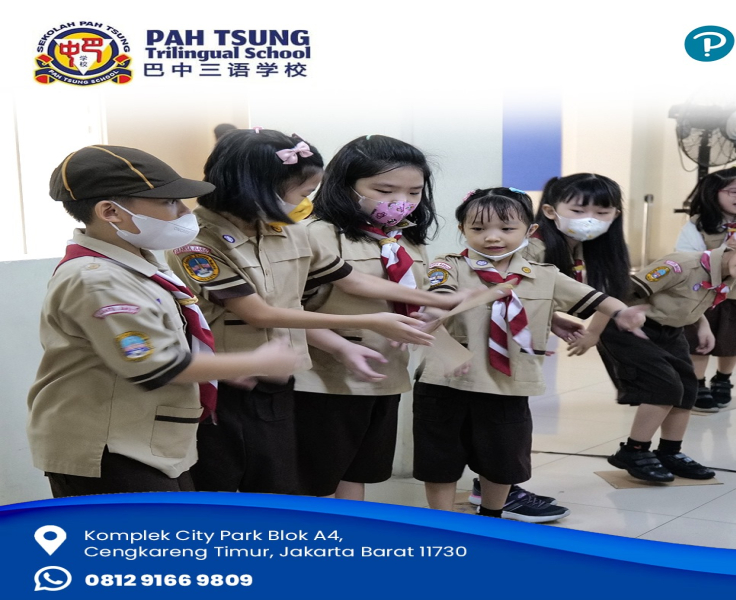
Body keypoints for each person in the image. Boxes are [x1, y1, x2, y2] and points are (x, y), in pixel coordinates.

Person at [165, 129, 462, 494]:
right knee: (222, 484)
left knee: (280, 485)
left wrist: (437, 301)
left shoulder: (285, 230)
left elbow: (353, 280)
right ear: (259, 188)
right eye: (302, 193)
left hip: (279, 378)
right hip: (226, 381)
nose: (306, 203)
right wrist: (366, 323)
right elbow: (260, 313)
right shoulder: (197, 244)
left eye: (413, 192)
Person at [28, 145, 305, 498]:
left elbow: (163, 339)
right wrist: (257, 361)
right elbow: (156, 364)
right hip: (111, 447)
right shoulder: (98, 279)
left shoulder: (138, 264)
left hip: (150, 441)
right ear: (111, 212)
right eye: (169, 202)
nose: (185, 211)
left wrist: (215, 367)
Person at [413, 188, 648, 521]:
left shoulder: (545, 275)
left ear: (530, 230)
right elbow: (440, 296)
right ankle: (442, 522)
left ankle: (492, 517)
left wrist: (622, 312)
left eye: (507, 229)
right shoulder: (448, 265)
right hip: (446, 382)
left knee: (504, 459)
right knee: (439, 459)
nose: (492, 237)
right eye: (478, 229)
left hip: (509, 384)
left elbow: (595, 298)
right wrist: (436, 309)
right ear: (463, 229)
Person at [292, 134, 462, 501]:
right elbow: (285, 312)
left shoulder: (405, 241)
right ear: (345, 185)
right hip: (323, 381)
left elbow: (416, 296)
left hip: (386, 375)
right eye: (385, 190)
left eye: (414, 192)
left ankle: (353, 529)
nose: (402, 202)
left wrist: (432, 315)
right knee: (315, 477)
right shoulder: (315, 235)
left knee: (359, 469)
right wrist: (338, 346)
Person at [465, 173, 631, 513]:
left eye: (601, 212)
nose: (589, 219)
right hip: (493, 344)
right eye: (579, 210)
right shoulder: (534, 246)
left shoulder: (580, 247)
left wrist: (552, 319)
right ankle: (496, 491)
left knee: (506, 422)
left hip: (515, 344)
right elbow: (500, 289)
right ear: (551, 211)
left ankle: (496, 488)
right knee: (501, 423)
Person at [602, 228, 736, 482]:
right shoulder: (681, 264)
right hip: (631, 328)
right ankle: (633, 451)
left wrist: (702, 325)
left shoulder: (730, 274)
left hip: (671, 331)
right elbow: (617, 295)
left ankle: (670, 452)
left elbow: (694, 299)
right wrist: (593, 333)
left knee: (688, 389)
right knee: (664, 387)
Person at [675, 166, 736, 411]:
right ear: (714, 193)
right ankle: (697, 383)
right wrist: (723, 252)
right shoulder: (697, 225)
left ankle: (723, 379)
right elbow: (686, 258)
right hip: (704, 292)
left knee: (734, 338)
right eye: (734, 192)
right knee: (698, 339)